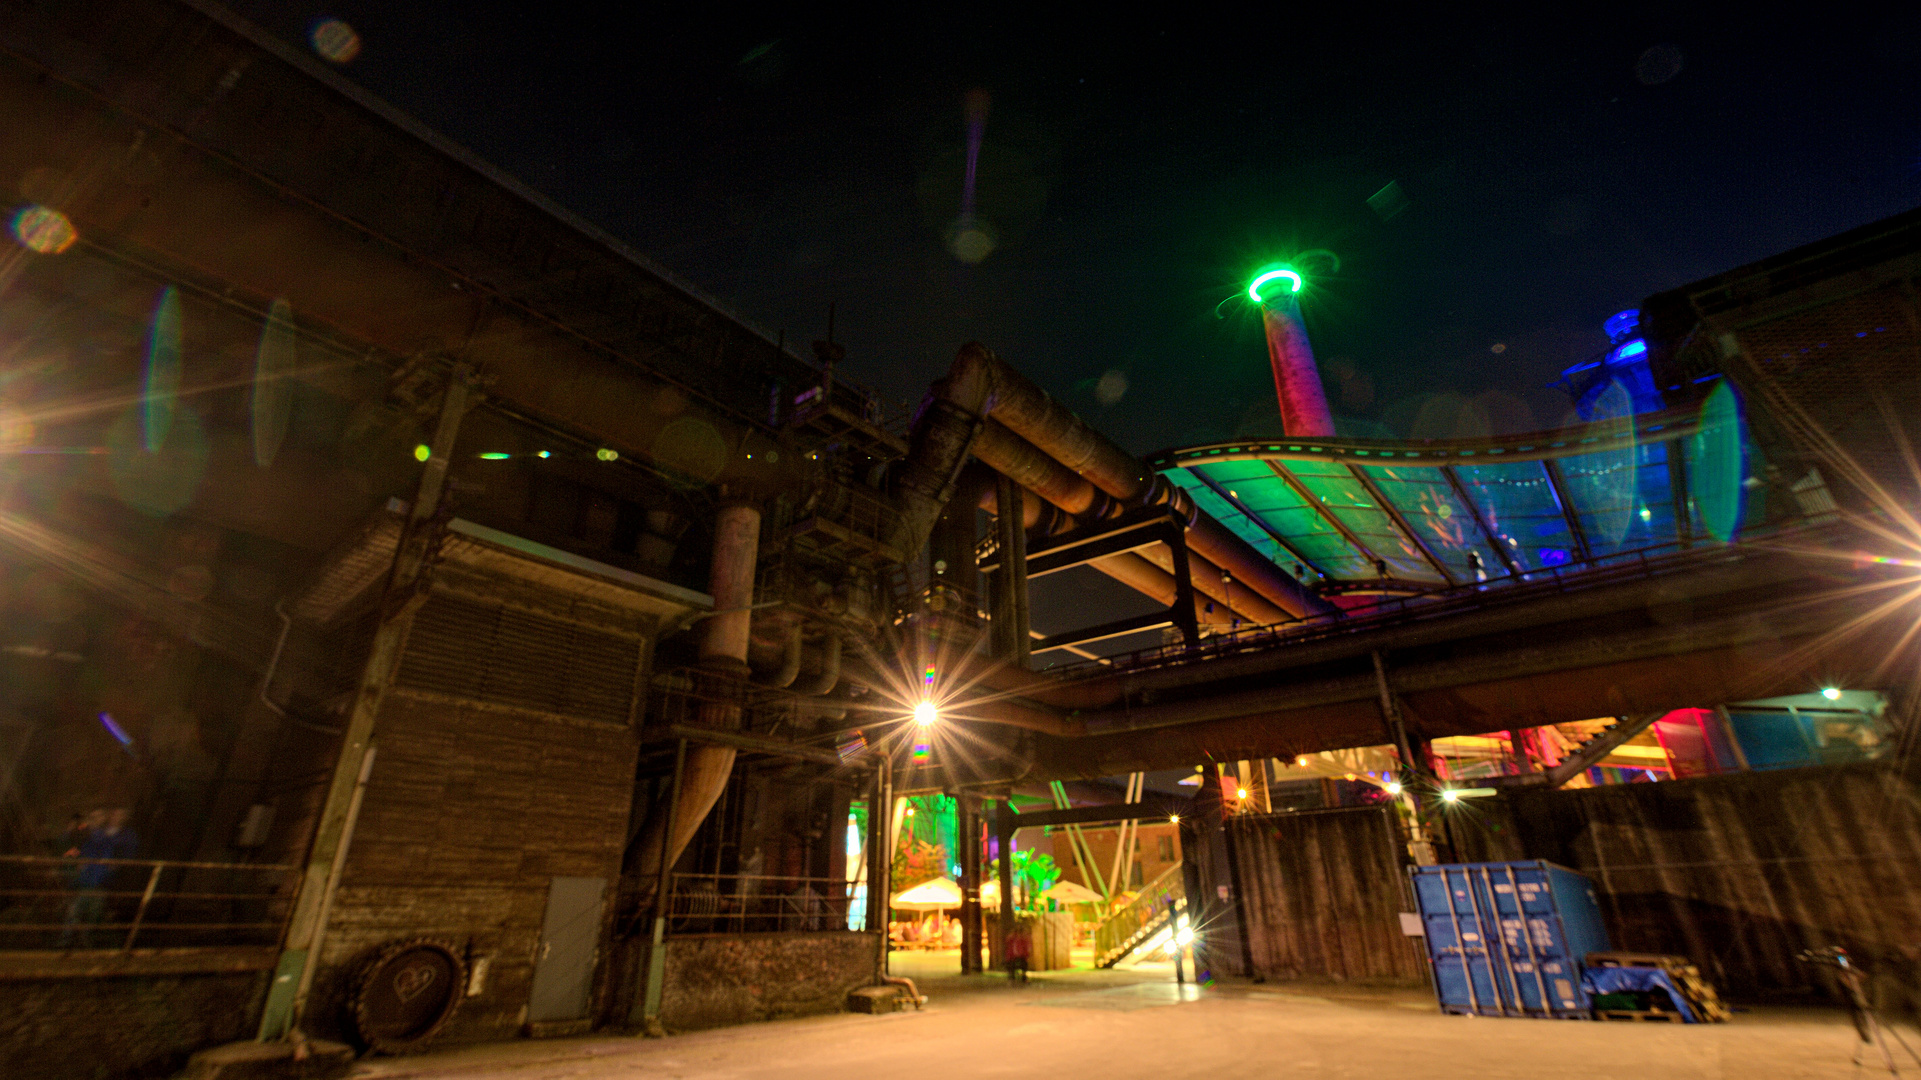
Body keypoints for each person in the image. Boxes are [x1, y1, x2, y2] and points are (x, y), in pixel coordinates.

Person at [60, 808, 137, 949]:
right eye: (93, 817)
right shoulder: (90, 835)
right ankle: (71, 941)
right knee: (78, 912)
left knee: (89, 913)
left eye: (99, 816)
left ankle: (80, 942)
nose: (96, 819)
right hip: (87, 881)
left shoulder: (109, 837)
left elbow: (123, 852)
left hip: (98, 881)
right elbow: (68, 844)